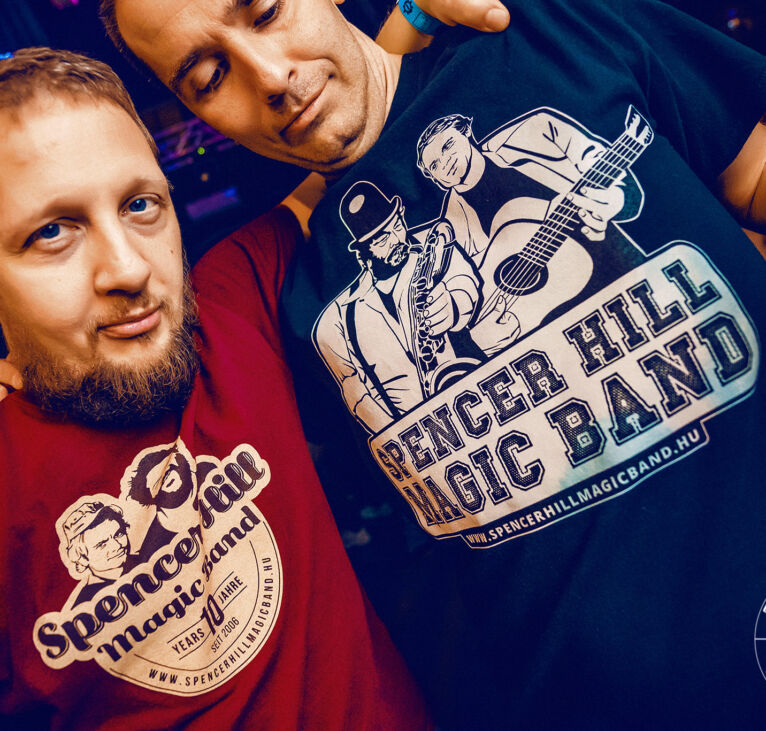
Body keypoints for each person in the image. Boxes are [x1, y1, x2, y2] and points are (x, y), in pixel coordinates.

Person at [35, 0, 766, 725]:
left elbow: (752, 173)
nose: (272, 77)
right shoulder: (288, 280)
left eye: (266, 12)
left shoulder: (546, 31)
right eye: (208, 77)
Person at [0, 48, 432, 729]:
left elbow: (350, 124)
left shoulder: (228, 309)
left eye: (141, 204)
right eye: (53, 231)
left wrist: (416, 13)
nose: (129, 268)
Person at [315, 181, 483, 431]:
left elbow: (465, 283)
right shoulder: (341, 314)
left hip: (482, 397)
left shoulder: (433, 245)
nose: (397, 240)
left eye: (397, 226)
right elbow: (352, 387)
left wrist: (452, 307)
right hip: (424, 436)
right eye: (383, 239)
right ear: (363, 252)